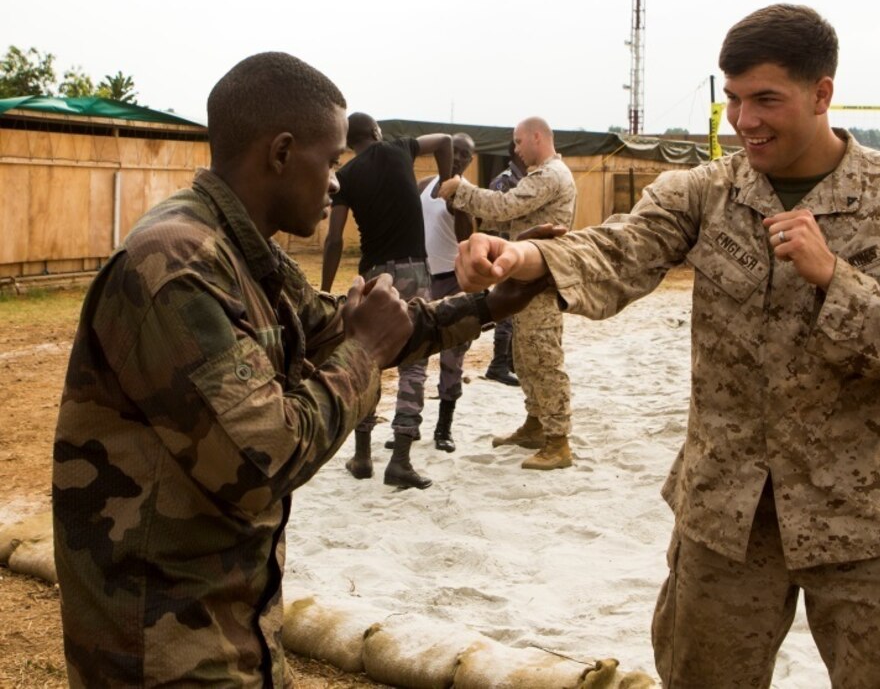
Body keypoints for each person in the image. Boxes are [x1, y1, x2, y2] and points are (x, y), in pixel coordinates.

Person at [456, 4, 880, 687]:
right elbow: (620, 250)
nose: (745, 120)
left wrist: (835, 281)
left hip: (866, 518)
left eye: (767, 99)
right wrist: (522, 256)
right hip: (725, 517)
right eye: (733, 98)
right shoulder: (707, 192)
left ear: (822, 93)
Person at [51, 52, 539, 686]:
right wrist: (364, 354)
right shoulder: (176, 266)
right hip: (161, 651)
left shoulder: (240, 250)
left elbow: (332, 325)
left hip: (225, 623)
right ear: (281, 153)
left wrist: (486, 304)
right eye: (331, 161)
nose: (337, 181)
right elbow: (265, 458)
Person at [321, 113, 453, 489]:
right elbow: (444, 139)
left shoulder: (344, 177)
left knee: (369, 358)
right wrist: (447, 183)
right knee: (414, 363)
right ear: (377, 132)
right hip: (415, 269)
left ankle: (362, 456)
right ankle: (400, 461)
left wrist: (328, 289)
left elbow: (333, 240)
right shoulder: (400, 148)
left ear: (348, 143)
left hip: (376, 273)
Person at [439, 117, 576, 470]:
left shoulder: (551, 176)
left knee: (544, 357)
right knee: (526, 354)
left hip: (542, 280)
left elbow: (505, 207)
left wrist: (462, 190)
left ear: (536, 137)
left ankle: (558, 442)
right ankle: (535, 425)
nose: (515, 150)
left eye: (518, 142)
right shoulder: (545, 174)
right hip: (528, 278)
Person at [419, 133, 477, 452]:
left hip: (454, 281)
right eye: (454, 151)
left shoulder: (466, 193)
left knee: (451, 357)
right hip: (423, 279)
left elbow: (467, 238)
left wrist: (458, 202)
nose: (457, 158)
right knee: (414, 352)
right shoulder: (424, 185)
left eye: (464, 155)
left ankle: (443, 428)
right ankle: (409, 422)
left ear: (470, 161)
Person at [481, 141, 528, 387]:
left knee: (519, 307)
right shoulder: (504, 181)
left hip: (521, 253)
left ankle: (509, 361)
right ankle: (497, 364)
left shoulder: (529, 180)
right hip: (505, 251)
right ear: (517, 153)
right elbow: (495, 218)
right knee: (507, 311)